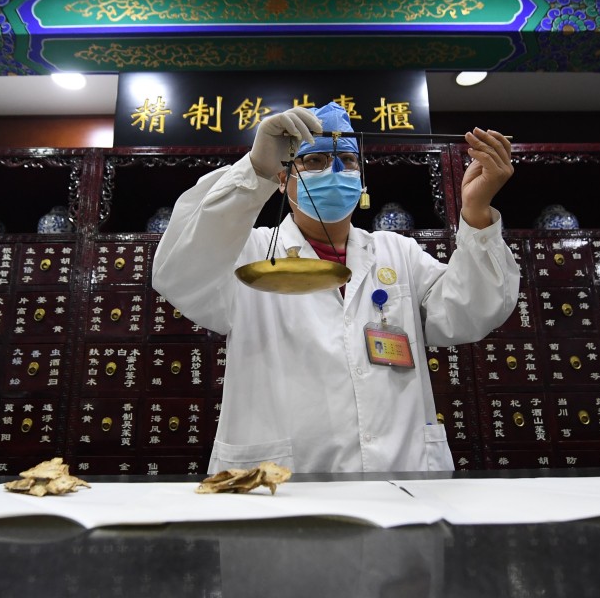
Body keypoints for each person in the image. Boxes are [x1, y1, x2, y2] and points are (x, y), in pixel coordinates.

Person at [152, 101, 519, 473]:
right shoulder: (250, 254)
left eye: (347, 159)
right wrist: (255, 170)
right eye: (314, 161)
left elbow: (472, 311)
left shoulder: (398, 254)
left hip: (401, 474)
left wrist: (476, 210)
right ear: (283, 178)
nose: (334, 170)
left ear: (361, 179)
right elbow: (179, 273)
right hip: (284, 484)